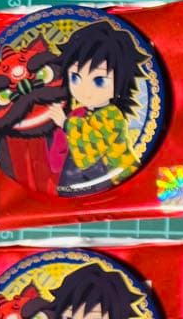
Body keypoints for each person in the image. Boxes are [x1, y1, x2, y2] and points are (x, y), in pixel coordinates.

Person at [48, 21, 148, 195]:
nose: (85, 91)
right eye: (75, 78)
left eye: (99, 80)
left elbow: (88, 153)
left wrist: (65, 123)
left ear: (120, 82)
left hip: (120, 181)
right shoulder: (87, 113)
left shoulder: (112, 115)